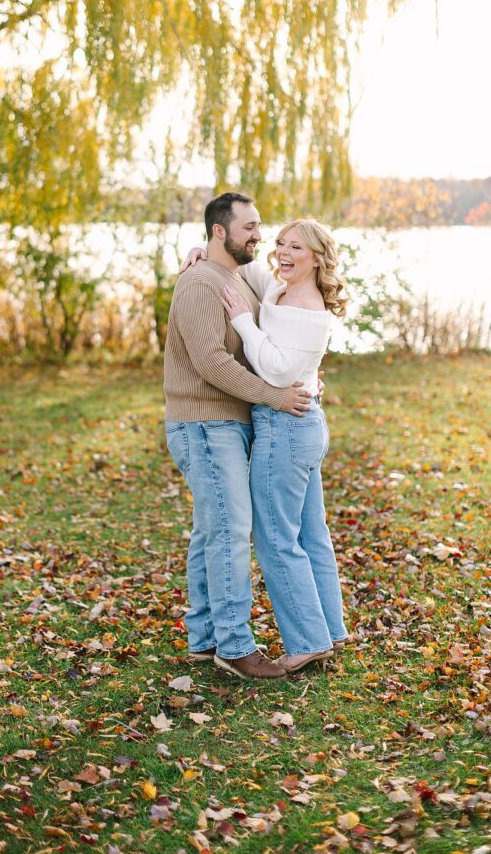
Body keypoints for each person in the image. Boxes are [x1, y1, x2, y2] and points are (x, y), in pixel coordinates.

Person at [182, 217, 349, 672]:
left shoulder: (309, 308)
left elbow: (275, 370)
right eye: (281, 243)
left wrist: (242, 320)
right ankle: (329, 629)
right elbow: (243, 264)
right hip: (299, 424)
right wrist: (203, 249)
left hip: (286, 426)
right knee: (311, 535)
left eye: (297, 247)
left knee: (276, 539)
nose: (283, 253)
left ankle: (308, 641)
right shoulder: (280, 287)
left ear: (318, 258)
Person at [163, 192, 315, 681]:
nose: (259, 236)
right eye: (249, 227)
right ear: (219, 231)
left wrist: (304, 378)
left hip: (226, 423)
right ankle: (234, 646)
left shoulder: (236, 275)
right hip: (204, 425)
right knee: (229, 531)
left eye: (258, 225)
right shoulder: (199, 283)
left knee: (213, 530)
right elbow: (211, 362)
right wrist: (273, 396)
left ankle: (205, 636)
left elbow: (274, 334)